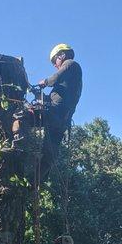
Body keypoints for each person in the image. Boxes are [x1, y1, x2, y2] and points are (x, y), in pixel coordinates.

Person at [36, 43, 82, 183]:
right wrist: (39, 96)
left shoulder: (70, 64)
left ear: (61, 55)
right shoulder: (69, 80)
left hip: (55, 112)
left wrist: (44, 82)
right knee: (49, 152)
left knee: (23, 116)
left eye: (54, 61)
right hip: (61, 119)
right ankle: (36, 181)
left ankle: (15, 144)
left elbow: (55, 77)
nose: (55, 65)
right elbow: (58, 93)